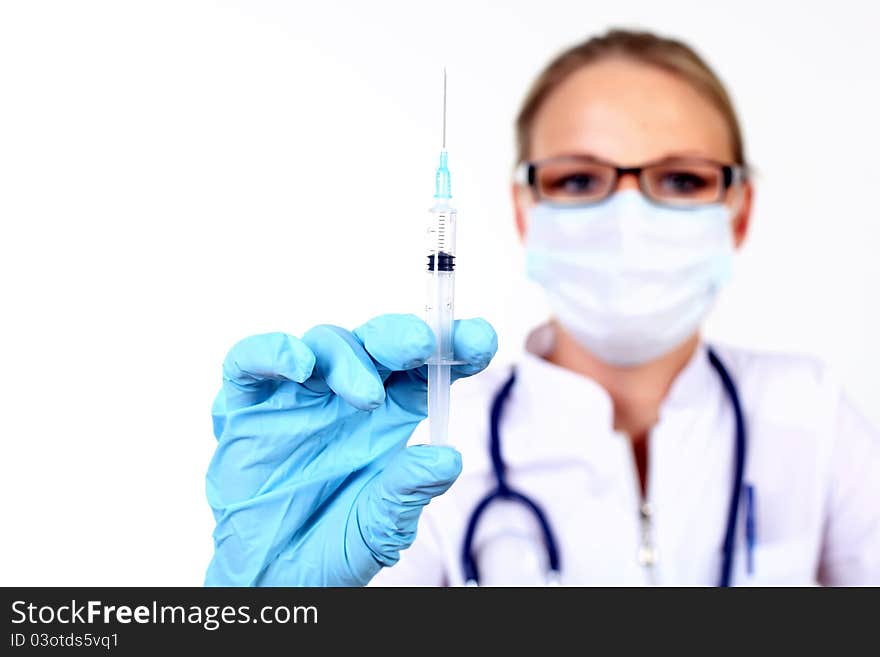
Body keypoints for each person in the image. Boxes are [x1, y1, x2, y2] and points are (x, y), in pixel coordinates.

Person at [204, 29, 880, 586]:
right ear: (525, 212)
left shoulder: (813, 416)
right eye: (580, 178)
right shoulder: (430, 445)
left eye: (680, 178)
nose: (628, 216)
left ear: (737, 213)